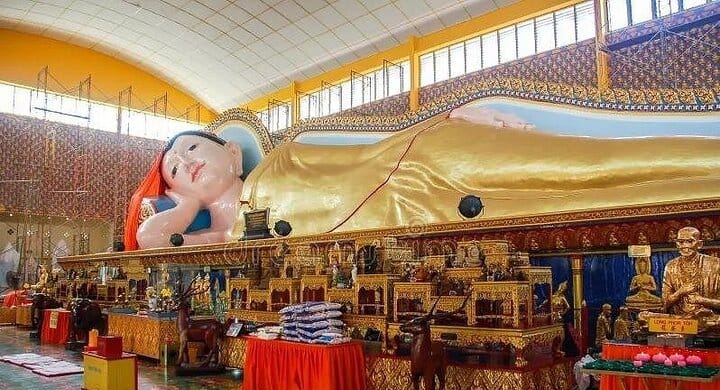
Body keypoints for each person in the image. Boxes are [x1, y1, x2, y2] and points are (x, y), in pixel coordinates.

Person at [232, 106, 719, 238]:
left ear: (232, 153)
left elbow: (379, 151)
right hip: (424, 208)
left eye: (195, 147)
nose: (193, 164)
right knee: (603, 199)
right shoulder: (240, 219)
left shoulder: (284, 155)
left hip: (428, 159)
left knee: (601, 165)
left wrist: (449, 116)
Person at [124, 131, 244, 250]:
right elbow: (149, 237)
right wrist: (187, 207)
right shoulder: (212, 239)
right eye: (175, 170)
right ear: (179, 193)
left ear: (233, 152)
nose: (186, 163)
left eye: (192, 147)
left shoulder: (257, 193)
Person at [662, 226, 720, 318]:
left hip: (710, 319)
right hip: (680, 320)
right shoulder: (671, 266)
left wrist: (702, 300)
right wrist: (680, 292)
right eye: (681, 242)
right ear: (677, 244)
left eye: (690, 241)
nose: (685, 245)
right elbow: (665, 302)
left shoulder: (715, 264)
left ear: (700, 244)